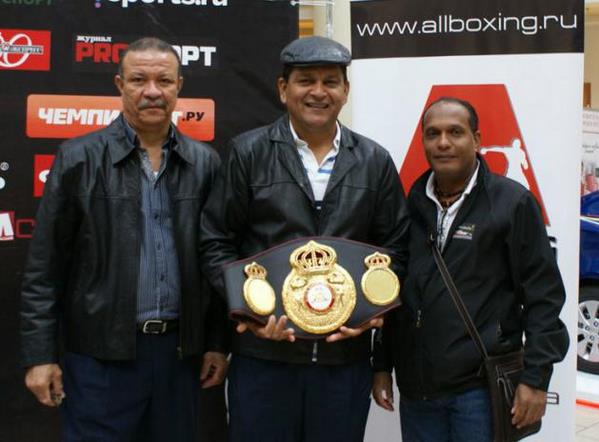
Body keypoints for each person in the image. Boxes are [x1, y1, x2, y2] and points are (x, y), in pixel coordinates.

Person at [199, 36, 409, 442]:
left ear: (345, 91)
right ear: (283, 89)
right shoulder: (247, 152)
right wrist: (250, 312)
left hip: (343, 361)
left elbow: (395, 248)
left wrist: (366, 312)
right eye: (306, 80)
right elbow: (215, 241)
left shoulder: (374, 160)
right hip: (264, 358)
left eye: (330, 81)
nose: (318, 92)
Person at [20, 37, 228, 441]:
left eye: (163, 81)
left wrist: (217, 343)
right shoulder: (79, 158)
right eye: (138, 80)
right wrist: (39, 355)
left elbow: (215, 262)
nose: (152, 91)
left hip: (179, 357)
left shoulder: (205, 163)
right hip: (100, 357)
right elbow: (44, 267)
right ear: (119, 84)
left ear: (179, 86)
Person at [372, 97, 569, 441]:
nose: (443, 142)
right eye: (433, 134)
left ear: (476, 140)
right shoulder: (410, 206)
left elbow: (544, 296)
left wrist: (536, 378)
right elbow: (397, 292)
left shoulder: (512, 204)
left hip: (479, 392)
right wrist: (381, 365)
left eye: (455, 132)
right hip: (417, 393)